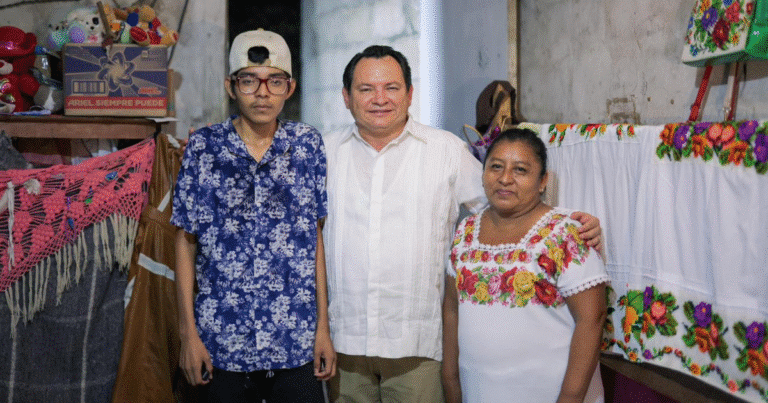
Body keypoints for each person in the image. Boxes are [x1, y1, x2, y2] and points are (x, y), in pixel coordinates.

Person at [321, 45, 604, 402]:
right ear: (346, 97)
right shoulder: (323, 154)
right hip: (344, 343)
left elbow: (505, 200)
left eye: (391, 87)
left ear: (409, 94)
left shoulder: (446, 151)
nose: (380, 99)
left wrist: (566, 225)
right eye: (366, 89)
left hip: (418, 349)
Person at [170, 29, 336, 402]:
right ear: (231, 86)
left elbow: (314, 239)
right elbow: (185, 241)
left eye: (275, 81)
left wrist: (323, 329)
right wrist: (188, 335)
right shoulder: (205, 148)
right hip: (222, 340)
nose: (263, 93)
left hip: (294, 339)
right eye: (249, 80)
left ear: (290, 88)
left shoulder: (306, 145)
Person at [442, 128, 609, 403]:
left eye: (520, 170)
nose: (505, 178)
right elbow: (451, 308)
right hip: (479, 391)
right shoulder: (466, 230)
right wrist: (450, 380)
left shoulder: (567, 233)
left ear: (543, 181)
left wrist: (569, 399)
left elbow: (592, 320)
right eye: (496, 166)